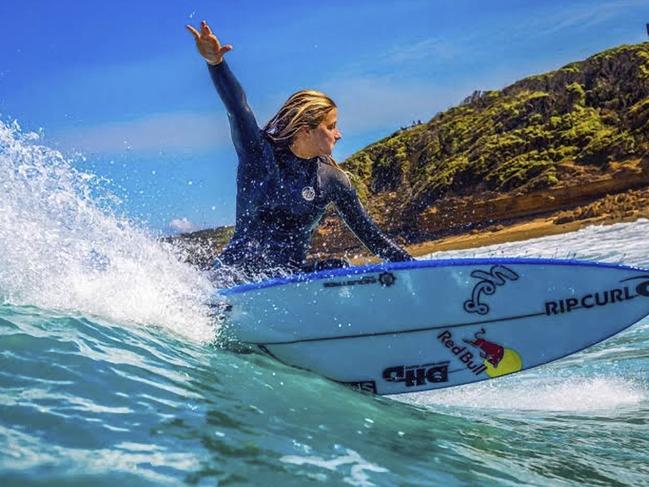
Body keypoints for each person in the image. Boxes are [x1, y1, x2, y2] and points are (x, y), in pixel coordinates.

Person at [187, 20, 412, 281]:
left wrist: (422, 272)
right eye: (331, 126)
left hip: (287, 283)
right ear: (306, 130)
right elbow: (239, 109)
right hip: (235, 281)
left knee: (338, 268)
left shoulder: (332, 181)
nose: (338, 134)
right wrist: (217, 65)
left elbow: (372, 236)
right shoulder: (259, 156)